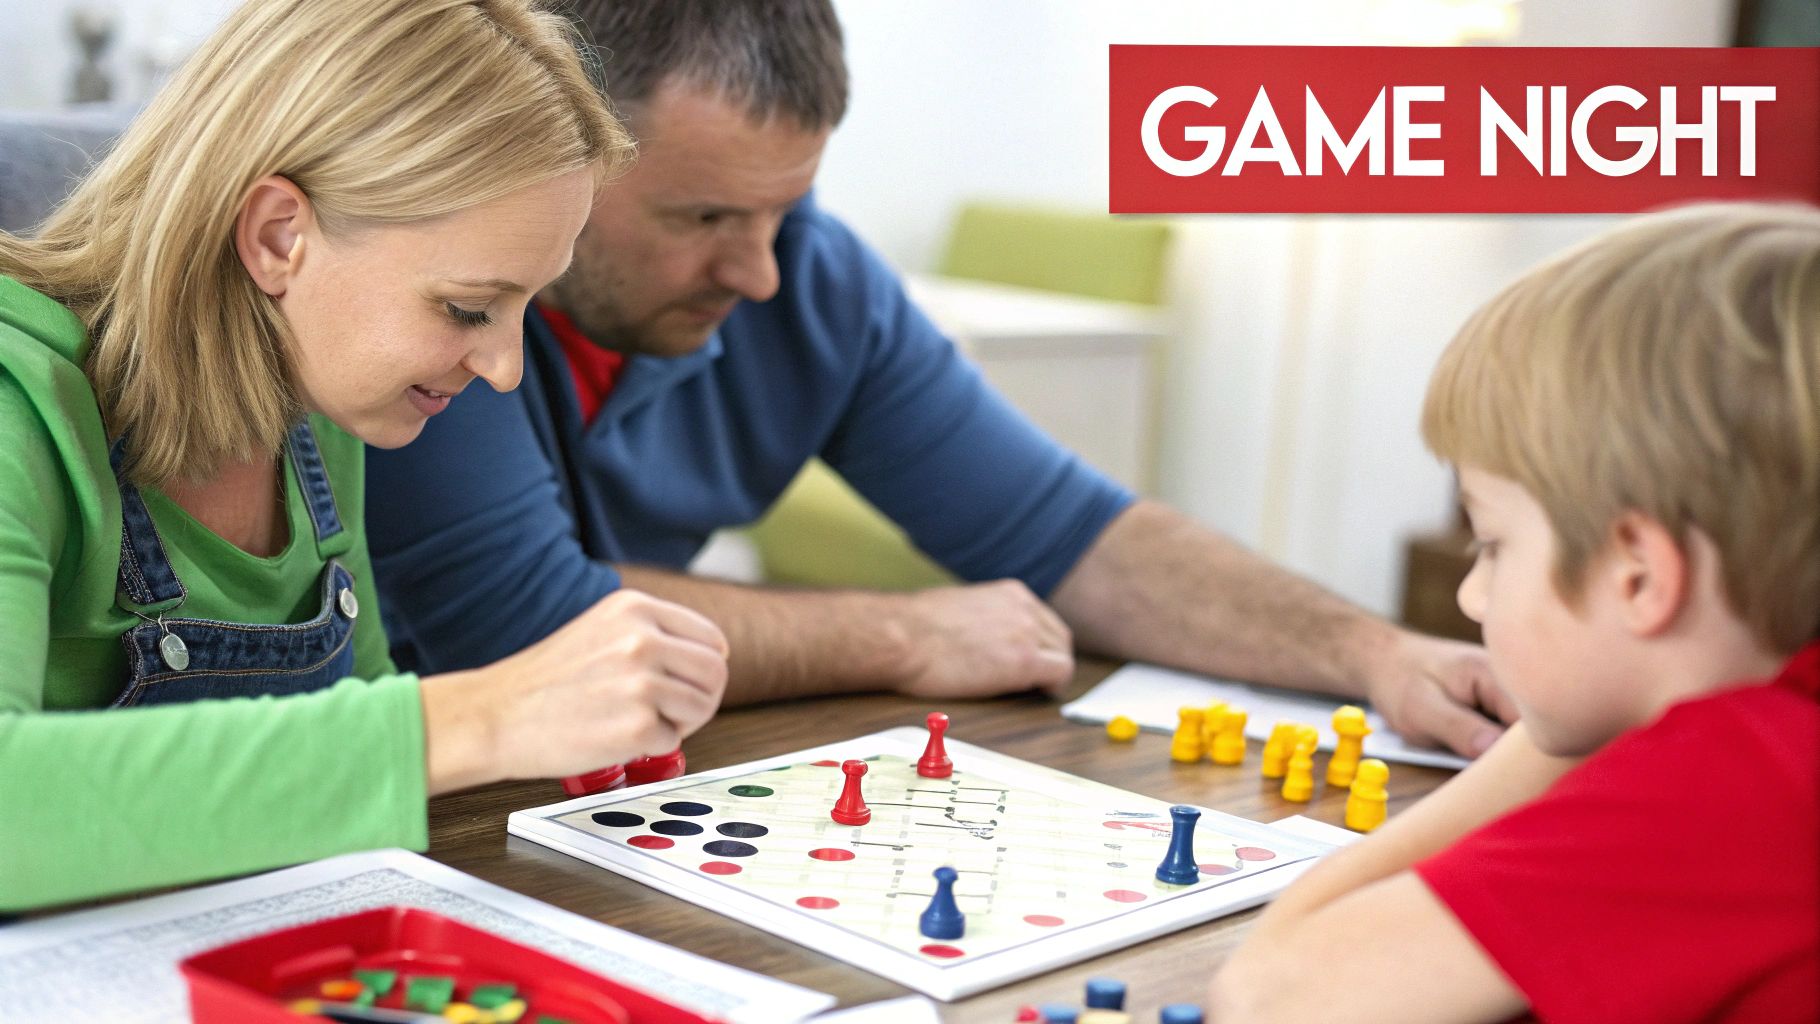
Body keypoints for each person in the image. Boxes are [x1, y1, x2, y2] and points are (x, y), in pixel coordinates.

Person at [365, 0, 1514, 759]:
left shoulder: (809, 280)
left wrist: (1374, 653)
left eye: (784, 207)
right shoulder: (440, 302)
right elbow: (519, 621)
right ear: (550, 156)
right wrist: (898, 633)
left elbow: (1075, 533)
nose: (758, 270)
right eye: (704, 215)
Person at [0, 0, 730, 912]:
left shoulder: (319, 418)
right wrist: (487, 717)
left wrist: (557, 727)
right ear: (278, 236)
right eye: (468, 308)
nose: (504, 371)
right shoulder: (13, 401)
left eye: (524, 310)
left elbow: (356, 733)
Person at [1208, 204, 1819, 1023]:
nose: (1471, 595)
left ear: (1638, 575)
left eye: (1493, 542)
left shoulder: (1735, 783)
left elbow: (1274, 993)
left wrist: (1557, 719)